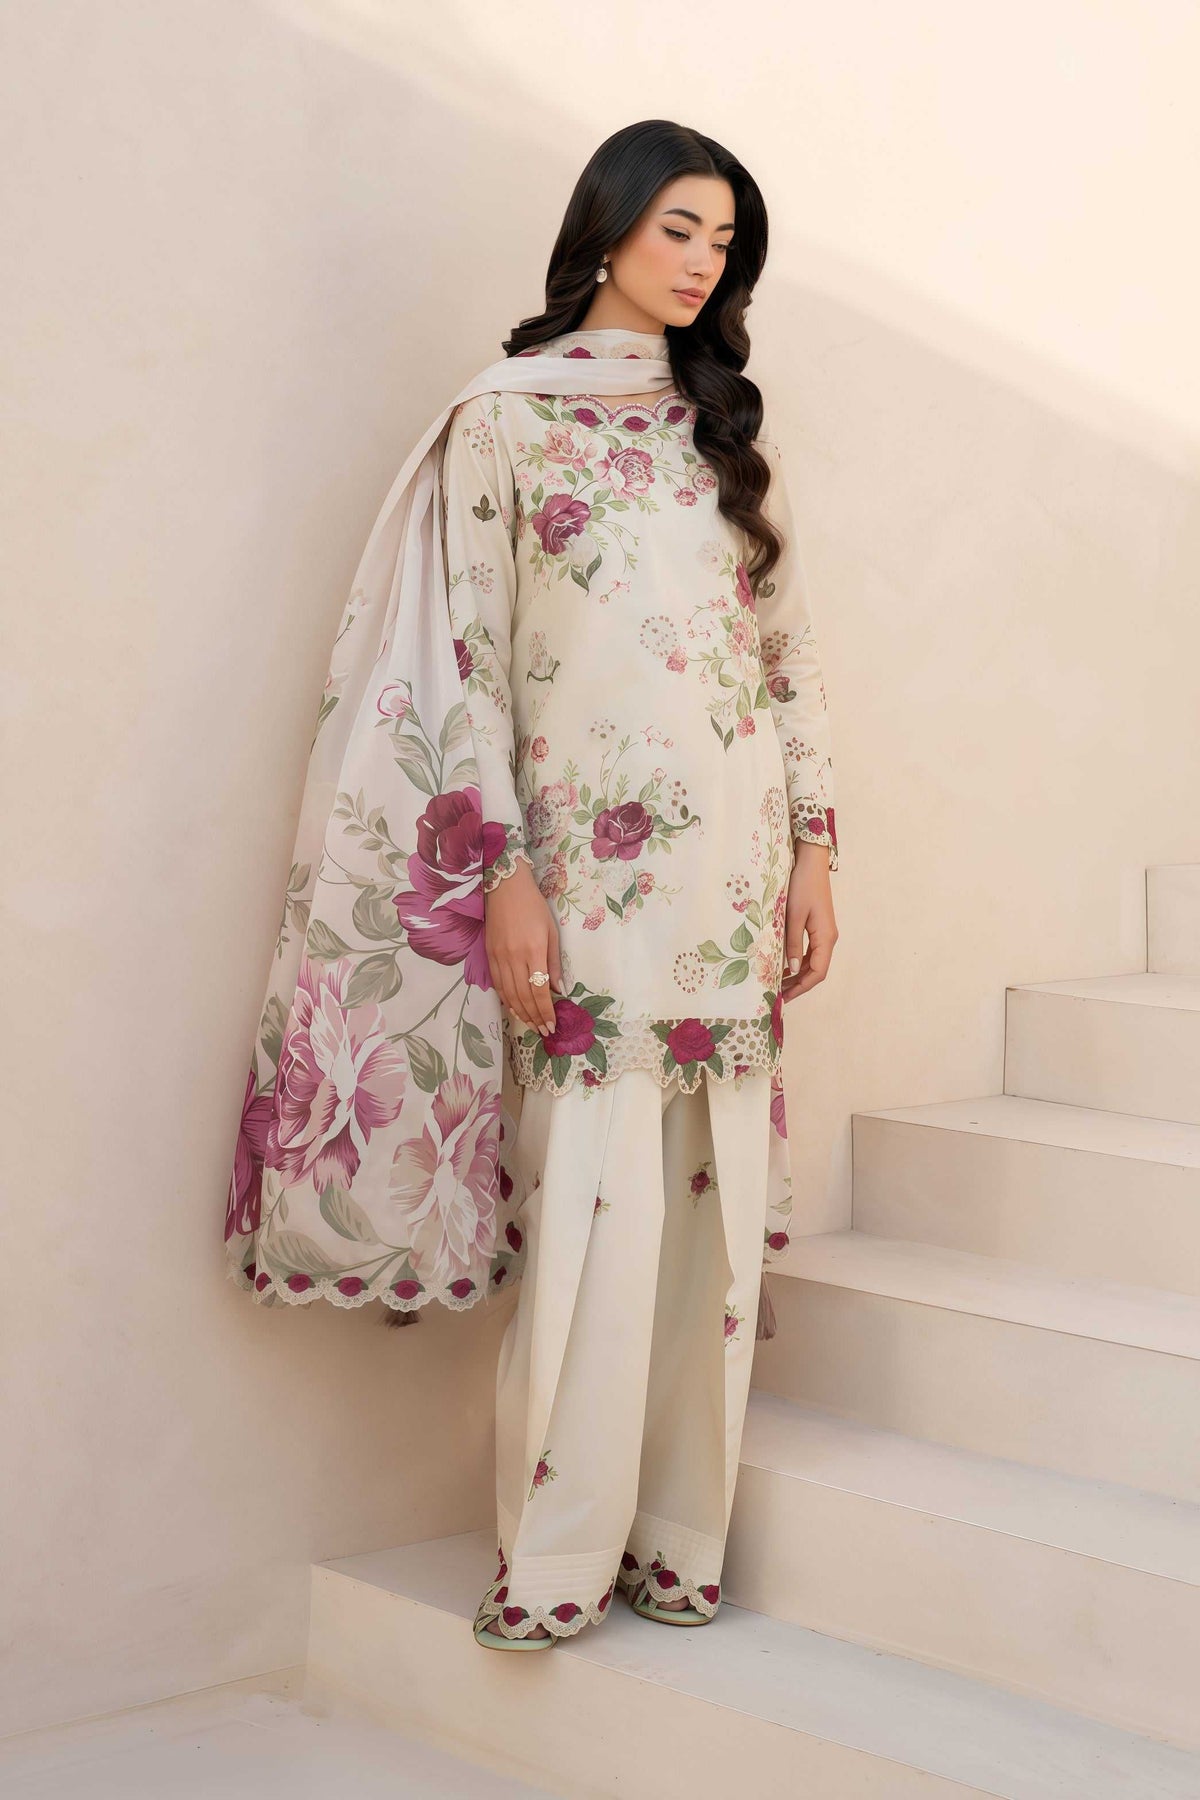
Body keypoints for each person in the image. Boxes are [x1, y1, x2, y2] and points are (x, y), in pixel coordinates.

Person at [450, 121, 841, 1649]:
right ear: (608, 225)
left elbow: (788, 656)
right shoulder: (505, 420)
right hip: (586, 879)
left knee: (706, 1221)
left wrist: (815, 850)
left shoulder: (723, 427)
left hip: (730, 877)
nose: (702, 262)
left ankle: (678, 1540)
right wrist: (506, 874)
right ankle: (553, 1559)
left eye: (724, 243)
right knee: (594, 1208)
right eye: (681, 227)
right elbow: (471, 663)